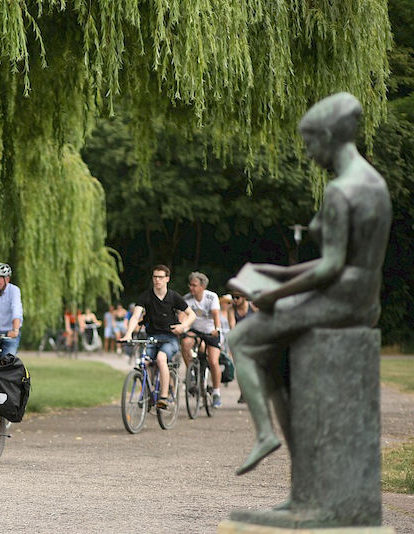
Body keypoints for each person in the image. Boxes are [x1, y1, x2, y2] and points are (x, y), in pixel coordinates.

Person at [228, 93, 392, 477]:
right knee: (273, 358)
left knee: (241, 340)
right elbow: (349, 261)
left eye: (309, 142)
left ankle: (265, 433)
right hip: (363, 297)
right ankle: (305, 484)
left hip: (340, 301)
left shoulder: (340, 191)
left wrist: (272, 295)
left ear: (329, 136)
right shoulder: (373, 183)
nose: (308, 153)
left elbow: (332, 268)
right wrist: (283, 274)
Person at [122, 265, 196, 408]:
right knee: (145, 362)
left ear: (167, 279)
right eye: (155, 277)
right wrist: (128, 333)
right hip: (151, 337)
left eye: (160, 277)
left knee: (161, 358)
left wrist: (183, 326)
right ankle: (148, 393)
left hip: (170, 338)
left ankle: (164, 397)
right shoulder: (146, 296)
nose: (157, 280)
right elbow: (136, 316)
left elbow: (191, 314)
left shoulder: (173, 296)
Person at [180, 271, 224, 408]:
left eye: (194, 285)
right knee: (185, 343)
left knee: (213, 360)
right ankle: (191, 373)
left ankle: (216, 392)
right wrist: (182, 327)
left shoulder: (211, 297)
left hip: (211, 331)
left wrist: (217, 328)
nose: (191, 288)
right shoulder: (186, 298)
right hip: (195, 330)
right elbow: (182, 315)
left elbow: (216, 314)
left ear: (203, 286)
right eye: (190, 285)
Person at [0, 262, 23, 355]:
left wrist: (15, 331)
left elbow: (17, 310)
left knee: (8, 360)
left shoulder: (14, 290)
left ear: (7, 279)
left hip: (9, 332)